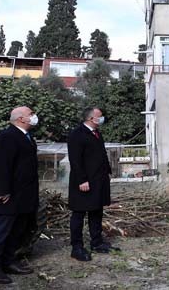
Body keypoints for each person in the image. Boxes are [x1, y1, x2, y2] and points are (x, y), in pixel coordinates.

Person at [0, 106, 39, 284]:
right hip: (8, 195)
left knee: (17, 230)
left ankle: (8, 261)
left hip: (23, 195)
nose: (34, 117)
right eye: (31, 114)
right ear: (21, 119)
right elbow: (1, 166)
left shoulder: (27, 137)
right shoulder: (7, 137)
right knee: (1, 231)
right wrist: (3, 190)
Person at [67, 107, 120, 262]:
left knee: (96, 212)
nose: (102, 118)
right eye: (100, 116)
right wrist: (82, 180)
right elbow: (75, 160)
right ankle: (76, 247)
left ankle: (96, 242)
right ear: (91, 118)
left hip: (99, 181)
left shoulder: (96, 133)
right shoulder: (77, 134)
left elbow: (100, 155)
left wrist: (107, 172)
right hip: (84, 182)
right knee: (79, 214)